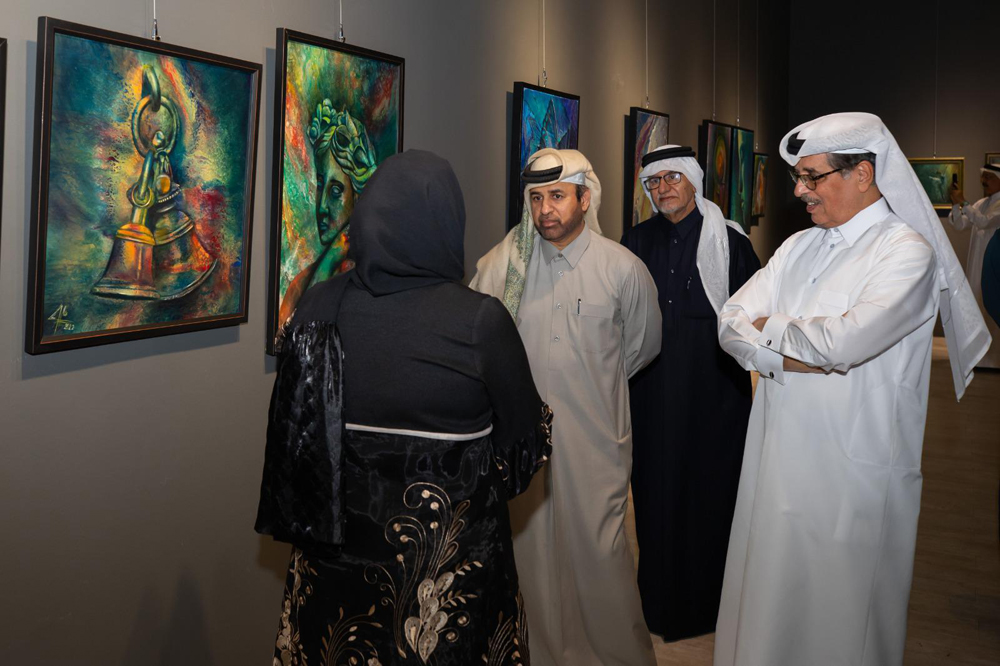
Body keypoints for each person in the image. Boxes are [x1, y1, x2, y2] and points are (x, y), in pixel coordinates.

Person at [714, 112, 991, 666]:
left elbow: (842, 344)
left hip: (851, 474)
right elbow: (728, 322)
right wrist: (792, 351)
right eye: (799, 177)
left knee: (842, 624)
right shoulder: (797, 247)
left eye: (812, 177)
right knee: (767, 606)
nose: (799, 191)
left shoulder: (906, 253)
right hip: (775, 461)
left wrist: (769, 334)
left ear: (863, 174)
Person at [257, 150, 553, 666]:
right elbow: (523, 452)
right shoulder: (480, 323)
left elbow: (297, 441)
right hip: (440, 602)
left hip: (332, 590)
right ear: (447, 224)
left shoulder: (316, 306)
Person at [470, 148, 662, 666]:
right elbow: (474, 332)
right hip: (523, 444)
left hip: (594, 443)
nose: (545, 209)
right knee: (531, 556)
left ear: (585, 198)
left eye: (557, 196)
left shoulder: (622, 269)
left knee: (602, 556)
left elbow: (643, 346)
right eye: (536, 198)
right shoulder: (504, 265)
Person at [620, 145, 760, 641]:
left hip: (715, 401)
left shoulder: (731, 243)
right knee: (654, 497)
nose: (663, 189)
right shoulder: (635, 241)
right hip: (651, 398)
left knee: (711, 498)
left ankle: (710, 609)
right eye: (654, 182)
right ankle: (656, 608)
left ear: (694, 181)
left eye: (672, 178)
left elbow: (756, 318)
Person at [276, 99, 378, 335]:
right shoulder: (301, 282)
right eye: (320, 185)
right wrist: (327, 263)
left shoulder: (368, 283)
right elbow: (287, 341)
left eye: (335, 191)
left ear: (358, 197)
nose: (321, 206)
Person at [947, 162, 1000, 367]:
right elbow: (960, 224)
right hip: (976, 263)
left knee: (992, 304)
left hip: (993, 264)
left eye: (989, 177)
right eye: (983, 176)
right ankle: (980, 358)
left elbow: (984, 222)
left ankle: (994, 359)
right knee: (977, 304)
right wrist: (955, 204)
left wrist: (964, 202)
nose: (984, 181)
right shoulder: (980, 203)